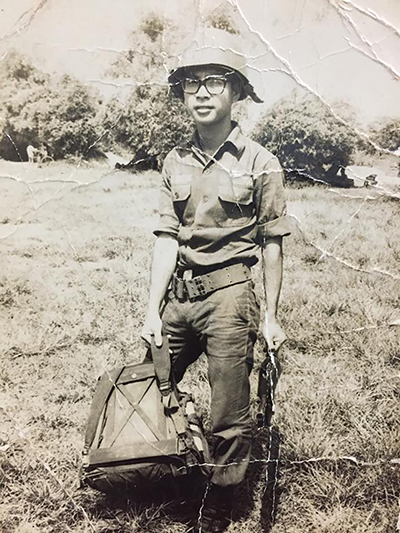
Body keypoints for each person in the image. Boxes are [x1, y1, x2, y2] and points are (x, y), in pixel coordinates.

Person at [141, 28, 291, 533]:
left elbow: (272, 241)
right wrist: (151, 311)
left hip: (230, 297)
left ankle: (219, 502)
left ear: (238, 93)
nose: (201, 93)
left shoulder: (260, 163)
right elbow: (166, 237)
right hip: (179, 299)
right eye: (191, 83)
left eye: (214, 82)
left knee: (229, 410)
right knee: (146, 382)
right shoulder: (173, 161)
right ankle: (173, 464)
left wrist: (270, 317)